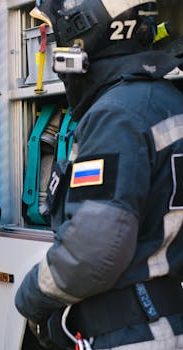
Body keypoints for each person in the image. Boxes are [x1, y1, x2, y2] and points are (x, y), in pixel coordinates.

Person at [15, 1, 183, 349]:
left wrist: (29, 297)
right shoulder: (164, 98)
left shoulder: (116, 115)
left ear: (81, 33)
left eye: (55, 36)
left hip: (132, 332)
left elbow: (94, 250)